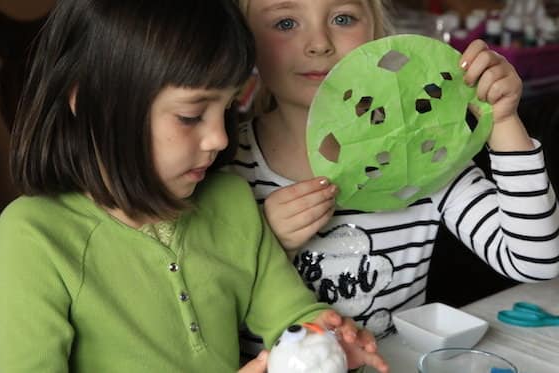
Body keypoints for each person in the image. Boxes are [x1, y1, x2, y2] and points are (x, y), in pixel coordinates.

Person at [0, 1, 390, 372]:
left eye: (227, 108)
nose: (219, 138)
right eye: (190, 116)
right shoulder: (33, 238)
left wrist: (323, 335)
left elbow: (289, 314)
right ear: (89, 101)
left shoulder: (232, 200)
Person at [230, 0, 559, 352]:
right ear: (244, 42)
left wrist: (504, 119)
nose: (319, 42)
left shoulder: (425, 157)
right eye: (284, 23)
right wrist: (265, 245)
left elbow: (535, 261)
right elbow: (199, 320)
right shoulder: (225, 164)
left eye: (343, 18)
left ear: (377, 31)